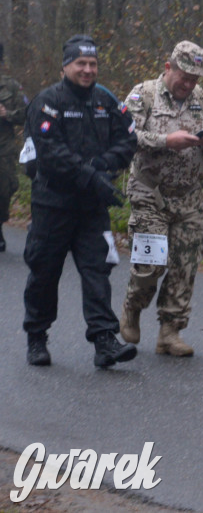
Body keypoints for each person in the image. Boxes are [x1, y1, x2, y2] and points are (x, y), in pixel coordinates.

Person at [23, 35, 138, 368]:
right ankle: (36, 336)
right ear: (66, 67)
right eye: (81, 64)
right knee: (44, 272)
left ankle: (104, 341)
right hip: (52, 205)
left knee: (98, 272)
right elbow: (50, 152)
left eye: (93, 64)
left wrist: (103, 167)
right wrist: (89, 174)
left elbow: (128, 138)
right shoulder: (47, 102)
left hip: (92, 207)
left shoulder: (107, 101)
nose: (88, 70)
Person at [117, 41, 203, 357]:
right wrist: (167, 141)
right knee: (151, 263)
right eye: (184, 75)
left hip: (189, 196)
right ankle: (132, 307)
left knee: (185, 263)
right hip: (149, 192)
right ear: (169, 68)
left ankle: (170, 332)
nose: (189, 83)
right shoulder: (143, 95)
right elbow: (124, 136)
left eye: (195, 78)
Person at [0, 42, 29, 252]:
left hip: (3, 148)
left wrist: (6, 114)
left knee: (3, 190)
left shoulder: (10, 86)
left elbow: (27, 114)